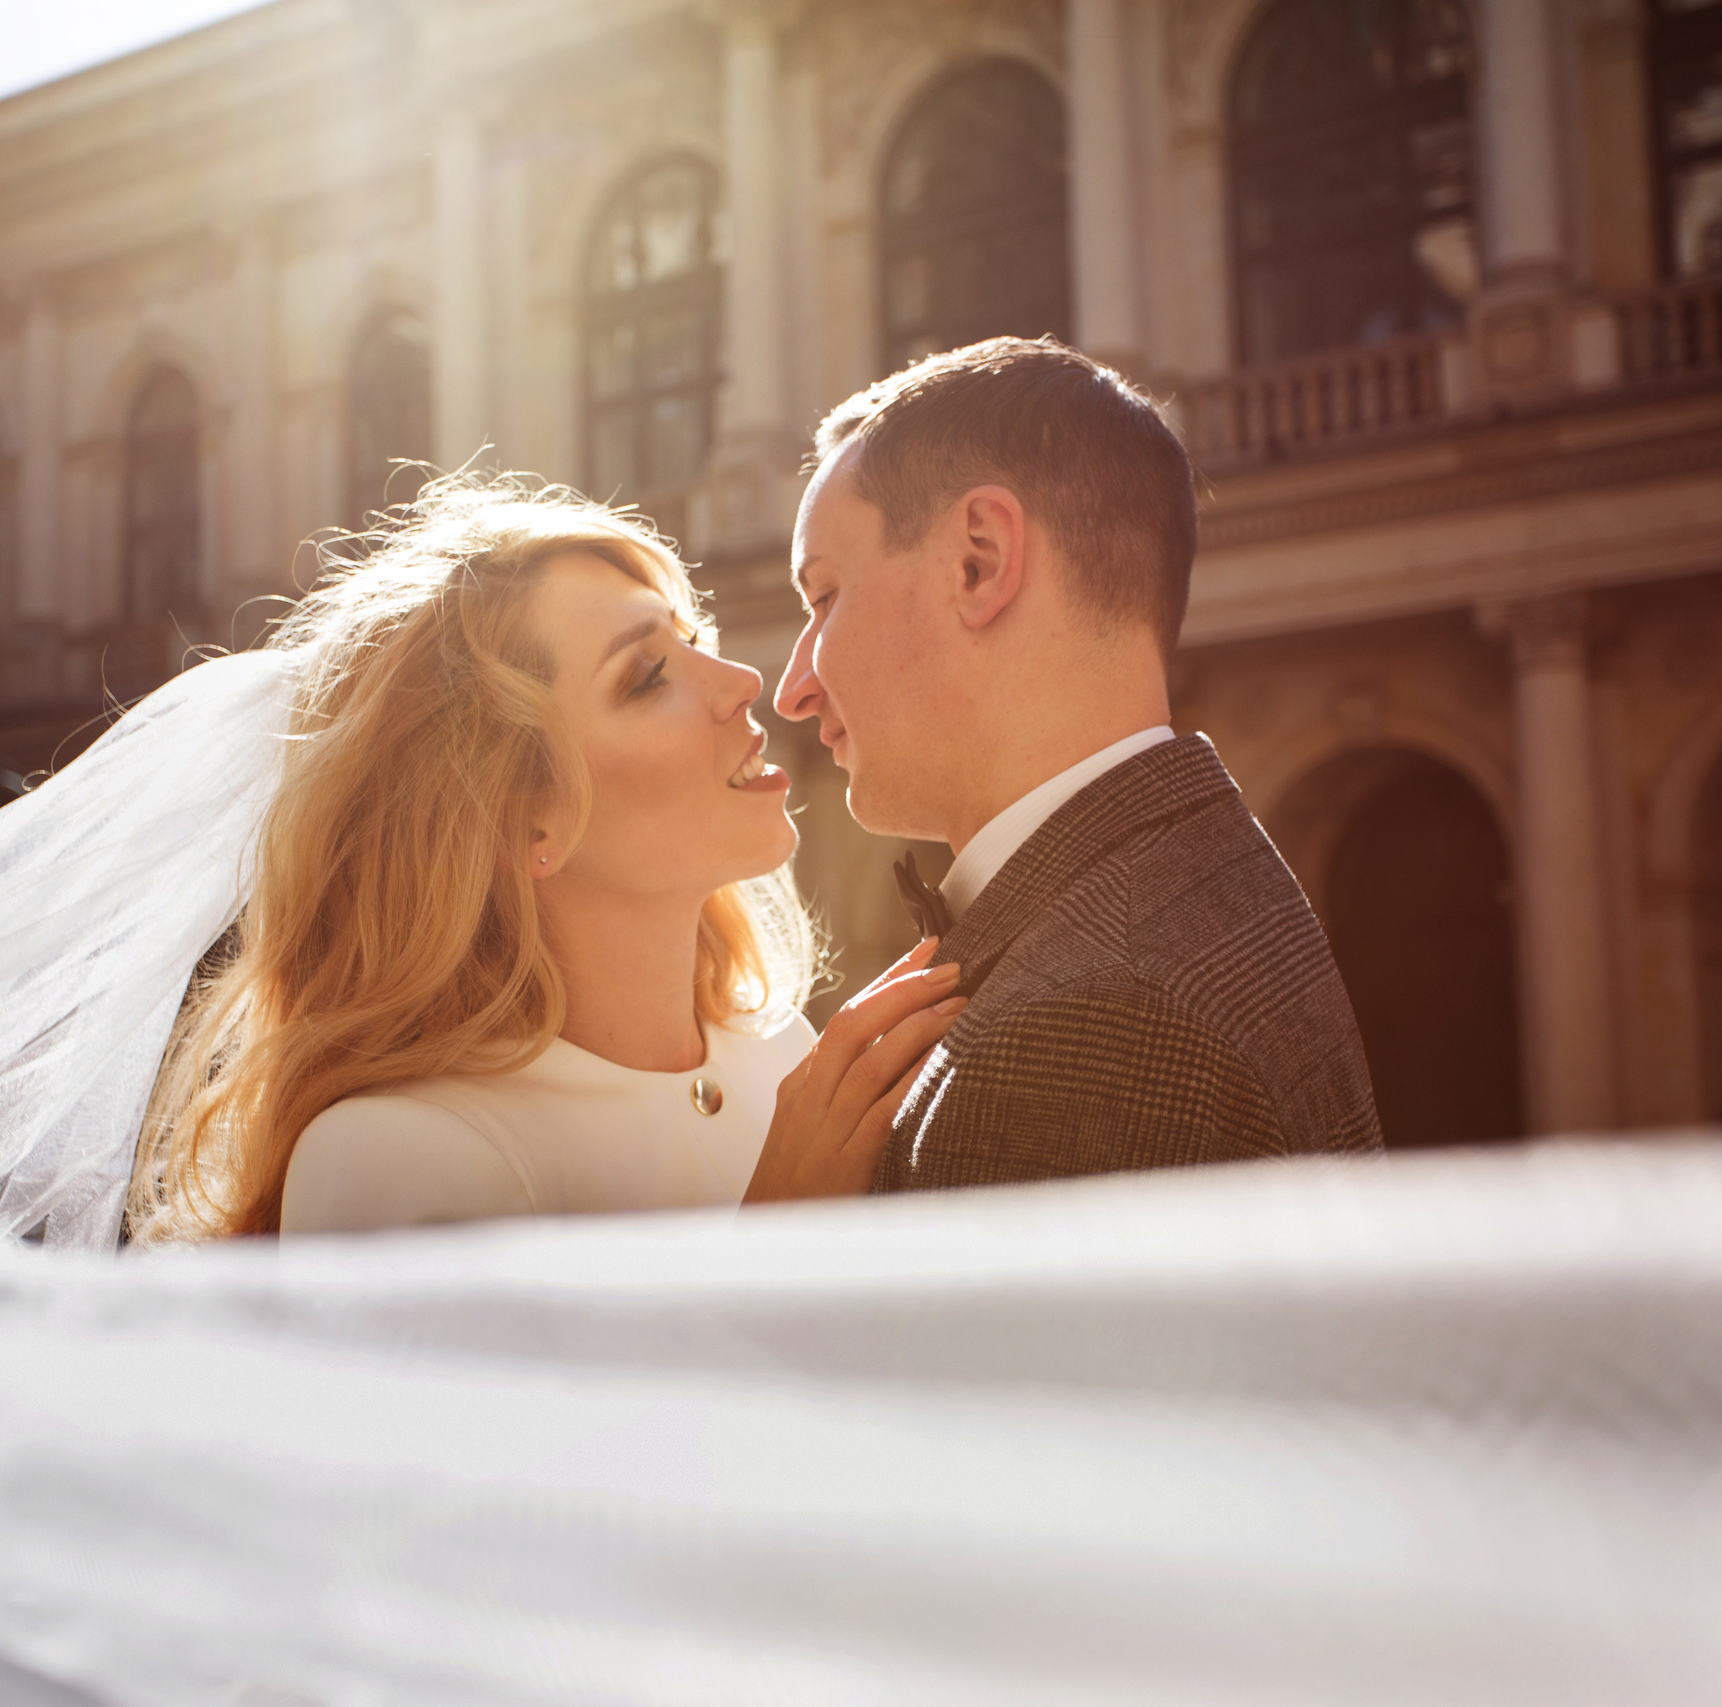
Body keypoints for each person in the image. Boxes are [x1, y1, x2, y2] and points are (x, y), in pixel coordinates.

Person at [129, 480, 963, 1242]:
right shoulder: (394, 1159)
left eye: (694, 636)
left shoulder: (783, 1051)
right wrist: (779, 1235)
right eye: (646, 677)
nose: (742, 678)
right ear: (527, 823)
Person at [756, 337, 1385, 1198]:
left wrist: (780, 1248)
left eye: (824, 597)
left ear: (979, 559)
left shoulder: (1090, 1023)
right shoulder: (1205, 880)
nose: (793, 690)